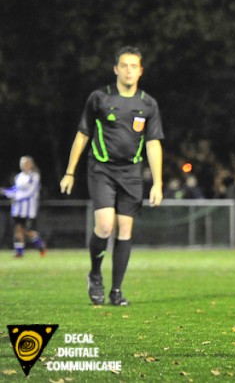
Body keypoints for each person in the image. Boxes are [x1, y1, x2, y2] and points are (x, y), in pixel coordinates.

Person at [60, 46, 164, 306]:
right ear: (116, 69)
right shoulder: (99, 98)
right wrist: (70, 172)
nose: (128, 70)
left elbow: (153, 143)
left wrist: (158, 183)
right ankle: (95, 274)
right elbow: (83, 134)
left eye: (133, 66)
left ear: (140, 71)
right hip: (101, 169)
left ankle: (116, 291)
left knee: (125, 229)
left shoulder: (148, 103)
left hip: (131, 172)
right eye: (124, 65)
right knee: (105, 226)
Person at [1, 156, 46, 257]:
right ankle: (20, 251)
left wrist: (16, 197)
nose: (25, 165)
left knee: (24, 230)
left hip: (28, 209)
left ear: (31, 165)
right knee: (18, 229)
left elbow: (31, 192)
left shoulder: (34, 176)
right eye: (23, 163)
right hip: (17, 209)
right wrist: (5, 191)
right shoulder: (19, 176)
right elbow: (15, 190)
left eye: (27, 163)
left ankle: (39, 245)